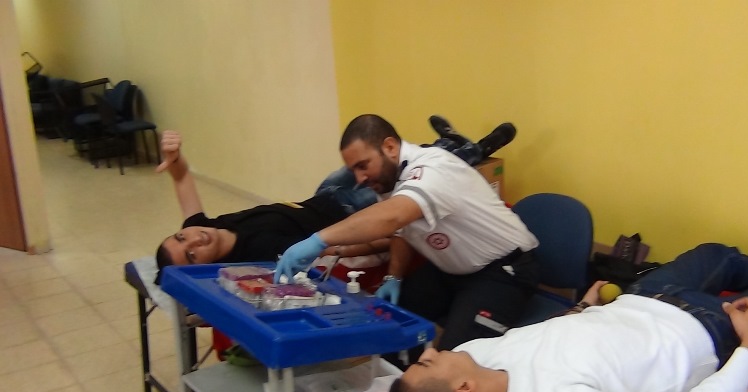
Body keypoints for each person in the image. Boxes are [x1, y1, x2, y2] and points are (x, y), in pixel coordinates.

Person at [387, 243, 748, 392]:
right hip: (707, 327)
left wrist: (583, 308)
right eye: (426, 366)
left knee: (717, 254)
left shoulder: (478, 356)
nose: (429, 352)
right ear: (464, 390)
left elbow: (547, 340)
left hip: (642, 297)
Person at [275, 114, 539, 353]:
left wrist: (319, 239)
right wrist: (394, 276)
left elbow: (393, 217)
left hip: (503, 270)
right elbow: (403, 231)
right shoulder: (390, 179)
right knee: (387, 325)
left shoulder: (433, 168)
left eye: (363, 165)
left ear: (390, 147)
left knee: (453, 363)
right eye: (354, 170)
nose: (359, 178)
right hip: (451, 270)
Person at [154, 118, 516, 280]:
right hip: (349, 213)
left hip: (323, 194)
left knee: (380, 155)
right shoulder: (253, 258)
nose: (194, 240)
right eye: (192, 255)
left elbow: (182, 177)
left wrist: (174, 157)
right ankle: (472, 149)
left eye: (182, 237)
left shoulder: (201, 227)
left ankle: (445, 145)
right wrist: (382, 246)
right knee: (395, 176)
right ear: (201, 267)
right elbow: (341, 245)